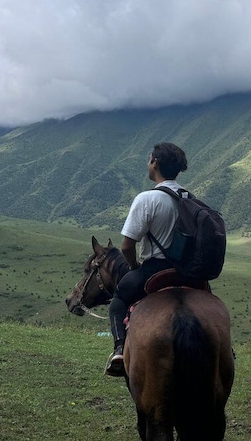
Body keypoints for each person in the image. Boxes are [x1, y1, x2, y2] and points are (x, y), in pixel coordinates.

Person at [105, 142, 189, 377]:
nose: (148, 163)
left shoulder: (147, 199)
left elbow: (127, 245)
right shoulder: (188, 197)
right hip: (188, 271)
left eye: (149, 159)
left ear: (155, 163)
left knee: (118, 300)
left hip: (155, 269)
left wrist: (134, 266)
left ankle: (119, 350)